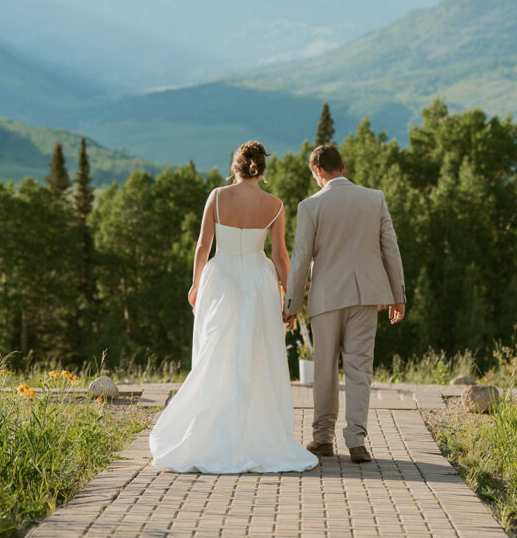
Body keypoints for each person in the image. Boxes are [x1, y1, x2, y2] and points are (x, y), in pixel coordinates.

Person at [150, 141, 318, 474]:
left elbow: (202, 246)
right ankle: (254, 433)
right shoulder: (275, 205)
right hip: (258, 282)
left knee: (216, 353)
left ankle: (210, 428)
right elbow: (281, 256)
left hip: (221, 279)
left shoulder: (217, 196)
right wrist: (289, 296)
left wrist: (196, 284)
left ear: (235, 166)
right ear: (262, 169)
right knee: (258, 357)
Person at [283, 144, 405, 464]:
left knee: (324, 369)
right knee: (359, 369)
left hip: (326, 297)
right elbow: (390, 249)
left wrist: (291, 303)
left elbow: (300, 259)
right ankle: (357, 441)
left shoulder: (310, 206)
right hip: (367, 296)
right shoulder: (374, 198)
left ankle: (323, 438)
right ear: (344, 167)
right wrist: (398, 296)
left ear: (318, 171)